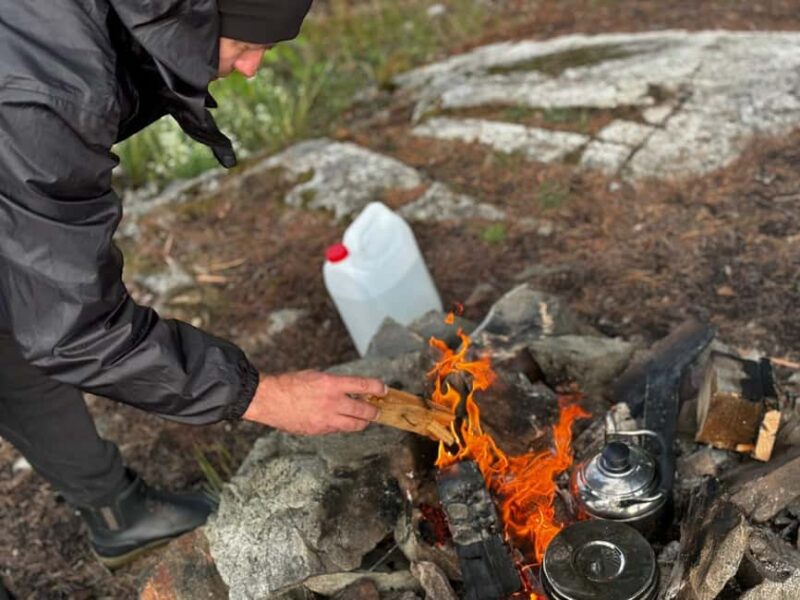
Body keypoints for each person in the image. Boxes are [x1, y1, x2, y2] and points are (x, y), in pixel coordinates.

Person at [0, 0, 385, 592]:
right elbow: (75, 329)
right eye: (248, 43)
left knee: (13, 320)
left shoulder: (105, 26)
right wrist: (261, 395)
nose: (253, 68)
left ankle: (115, 511)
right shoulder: (54, 85)